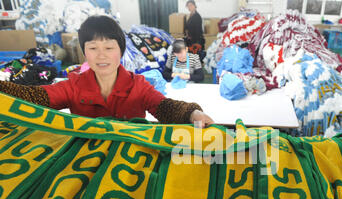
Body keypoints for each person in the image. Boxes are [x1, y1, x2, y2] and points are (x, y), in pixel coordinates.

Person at [0, 15, 214, 128]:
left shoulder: (138, 86)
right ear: (84, 52)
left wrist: (192, 113)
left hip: (130, 157)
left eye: (109, 48)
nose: (101, 55)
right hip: (87, 158)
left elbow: (164, 107)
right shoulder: (73, 86)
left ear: (120, 51)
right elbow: (36, 98)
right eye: (93, 48)